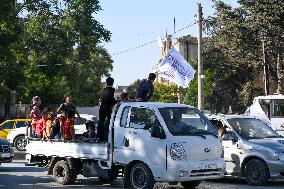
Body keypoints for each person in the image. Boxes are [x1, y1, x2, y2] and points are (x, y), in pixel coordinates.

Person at [97, 77, 116, 142]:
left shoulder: (104, 89)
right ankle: (109, 136)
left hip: (102, 107)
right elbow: (111, 99)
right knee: (111, 121)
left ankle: (99, 137)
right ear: (112, 83)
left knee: (101, 122)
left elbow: (103, 98)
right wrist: (117, 102)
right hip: (107, 107)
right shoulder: (111, 90)